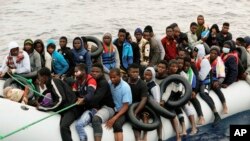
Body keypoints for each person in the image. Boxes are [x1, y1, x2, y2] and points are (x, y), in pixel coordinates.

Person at [36, 67, 81, 141]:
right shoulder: (49, 83)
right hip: (65, 107)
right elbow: (47, 92)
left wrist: (43, 108)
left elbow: (61, 100)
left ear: (44, 77)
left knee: (64, 126)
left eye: (39, 77)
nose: (39, 79)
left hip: (72, 108)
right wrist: (38, 101)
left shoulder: (54, 81)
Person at [198, 46, 228, 126]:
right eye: (211, 52)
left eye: (215, 53)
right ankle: (216, 113)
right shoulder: (205, 58)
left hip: (215, 79)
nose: (213, 54)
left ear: (218, 54)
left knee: (216, 87)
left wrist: (218, 82)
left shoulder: (219, 62)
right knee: (203, 93)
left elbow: (222, 76)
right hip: (207, 78)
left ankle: (224, 105)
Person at [89, 63, 115, 141]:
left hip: (108, 108)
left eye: (97, 71)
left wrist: (84, 102)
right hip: (97, 107)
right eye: (93, 71)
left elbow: (96, 98)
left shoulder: (103, 83)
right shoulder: (91, 81)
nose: (94, 73)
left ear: (102, 73)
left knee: (96, 119)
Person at [106, 68, 132, 141]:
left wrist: (114, 118)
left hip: (124, 110)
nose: (112, 79)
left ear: (120, 76)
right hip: (115, 108)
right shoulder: (110, 83)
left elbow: (126, 106)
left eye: (114, 77)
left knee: (117, 124)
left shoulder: (125, 87)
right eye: (111, 77)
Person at [73, 63, 97, 141]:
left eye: (77, 71)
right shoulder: (77, 81)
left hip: (91, 109)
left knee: (78, 125)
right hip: (82, 107)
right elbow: (73, 93)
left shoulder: (91, 80)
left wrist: (83, 99)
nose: (75, 73)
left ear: (83, 71)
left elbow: (90, 94)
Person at [127, 64, 148, 141]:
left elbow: (144, 99)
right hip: (127, 105)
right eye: (133, 72)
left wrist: (136, 112)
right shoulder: (125, 81)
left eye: (137, 72)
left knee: (137, 118)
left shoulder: (142, 84)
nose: (135, 74)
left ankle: (140, 138)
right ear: (129, 72)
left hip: (139, 106)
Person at [183, 57, 205, 125]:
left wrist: (194, 91)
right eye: (185, 65)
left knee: (194, 98)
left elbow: (196, 81)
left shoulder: (192, 71)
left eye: (188, 66)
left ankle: (201, 116)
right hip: (183, 91)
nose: (186, 67)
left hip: (192, 89)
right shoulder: (180, 71)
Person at [144, 67, 162, 141]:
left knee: (157, 118)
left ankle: (159, 136)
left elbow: (157, 100)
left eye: (149, 75)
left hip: (153, 106)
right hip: (145, 105)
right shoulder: (144, 83)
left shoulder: (154, 86)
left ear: (153, 76)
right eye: (146, 74)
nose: (147, 76)